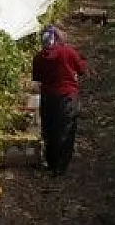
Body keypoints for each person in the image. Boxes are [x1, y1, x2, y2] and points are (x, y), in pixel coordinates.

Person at [31, 24, 88, 177]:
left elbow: (37, 78)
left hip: (48, 96)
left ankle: (51, 162)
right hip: (67, 96)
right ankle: (61, 166)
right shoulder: (68, 52)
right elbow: (81, 69)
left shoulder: (38, 57)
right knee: (65, 130)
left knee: (49, 129)